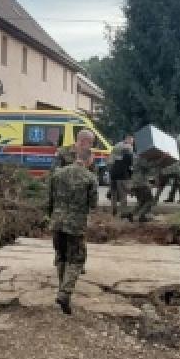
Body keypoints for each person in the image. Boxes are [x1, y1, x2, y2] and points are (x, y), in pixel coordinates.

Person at [47, 139, 99, 314]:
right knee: (76, 260)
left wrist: (52, 217)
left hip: (57, 222)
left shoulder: (58, 174)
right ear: (88, 160)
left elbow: (50, 199)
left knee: (61, 257)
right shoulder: (90, 178)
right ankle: (65, 293)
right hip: (76, 226)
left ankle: (62, 289)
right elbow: (93, 204)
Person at [107, 133, 135, 218]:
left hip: (113, 173)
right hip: (122, 173)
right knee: (123, 195)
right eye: (132, 139)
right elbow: (130, 162)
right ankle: (123, 213)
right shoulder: (128, 147)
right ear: (128, 138)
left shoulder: (116, 146)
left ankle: (113, 211)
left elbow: (110, 161)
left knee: (114, 195)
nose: (133, 141)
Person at [129, 152, 158, 222]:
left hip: (135, 182)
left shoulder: (135, 157)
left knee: (141, 201)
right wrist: (160, 160)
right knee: (150, 200)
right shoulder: (141, 158)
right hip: (141, 183)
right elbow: (148, 166)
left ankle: (131, 214)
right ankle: (141, 215)